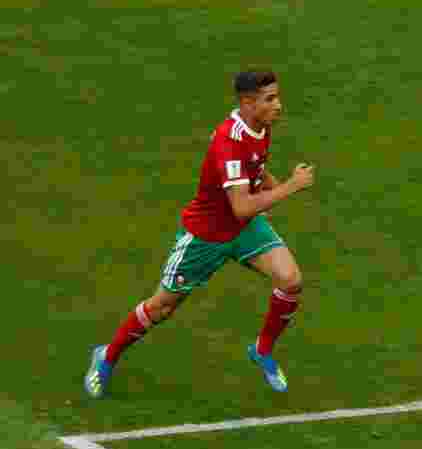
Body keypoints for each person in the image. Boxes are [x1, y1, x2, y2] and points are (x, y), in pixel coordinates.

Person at [84, 71, 316, 398]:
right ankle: (106, 356)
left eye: (277, 97)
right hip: (206, 236)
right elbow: (241, 206)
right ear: (248, 102)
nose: (278, 105)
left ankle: (262, 350)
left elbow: (256, 167)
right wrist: (290, 187)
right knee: (162, 307)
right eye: (270, 99)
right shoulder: (229, 141)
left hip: (244, 229)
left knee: (290, 279)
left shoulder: (259, 127)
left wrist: (272, 186)